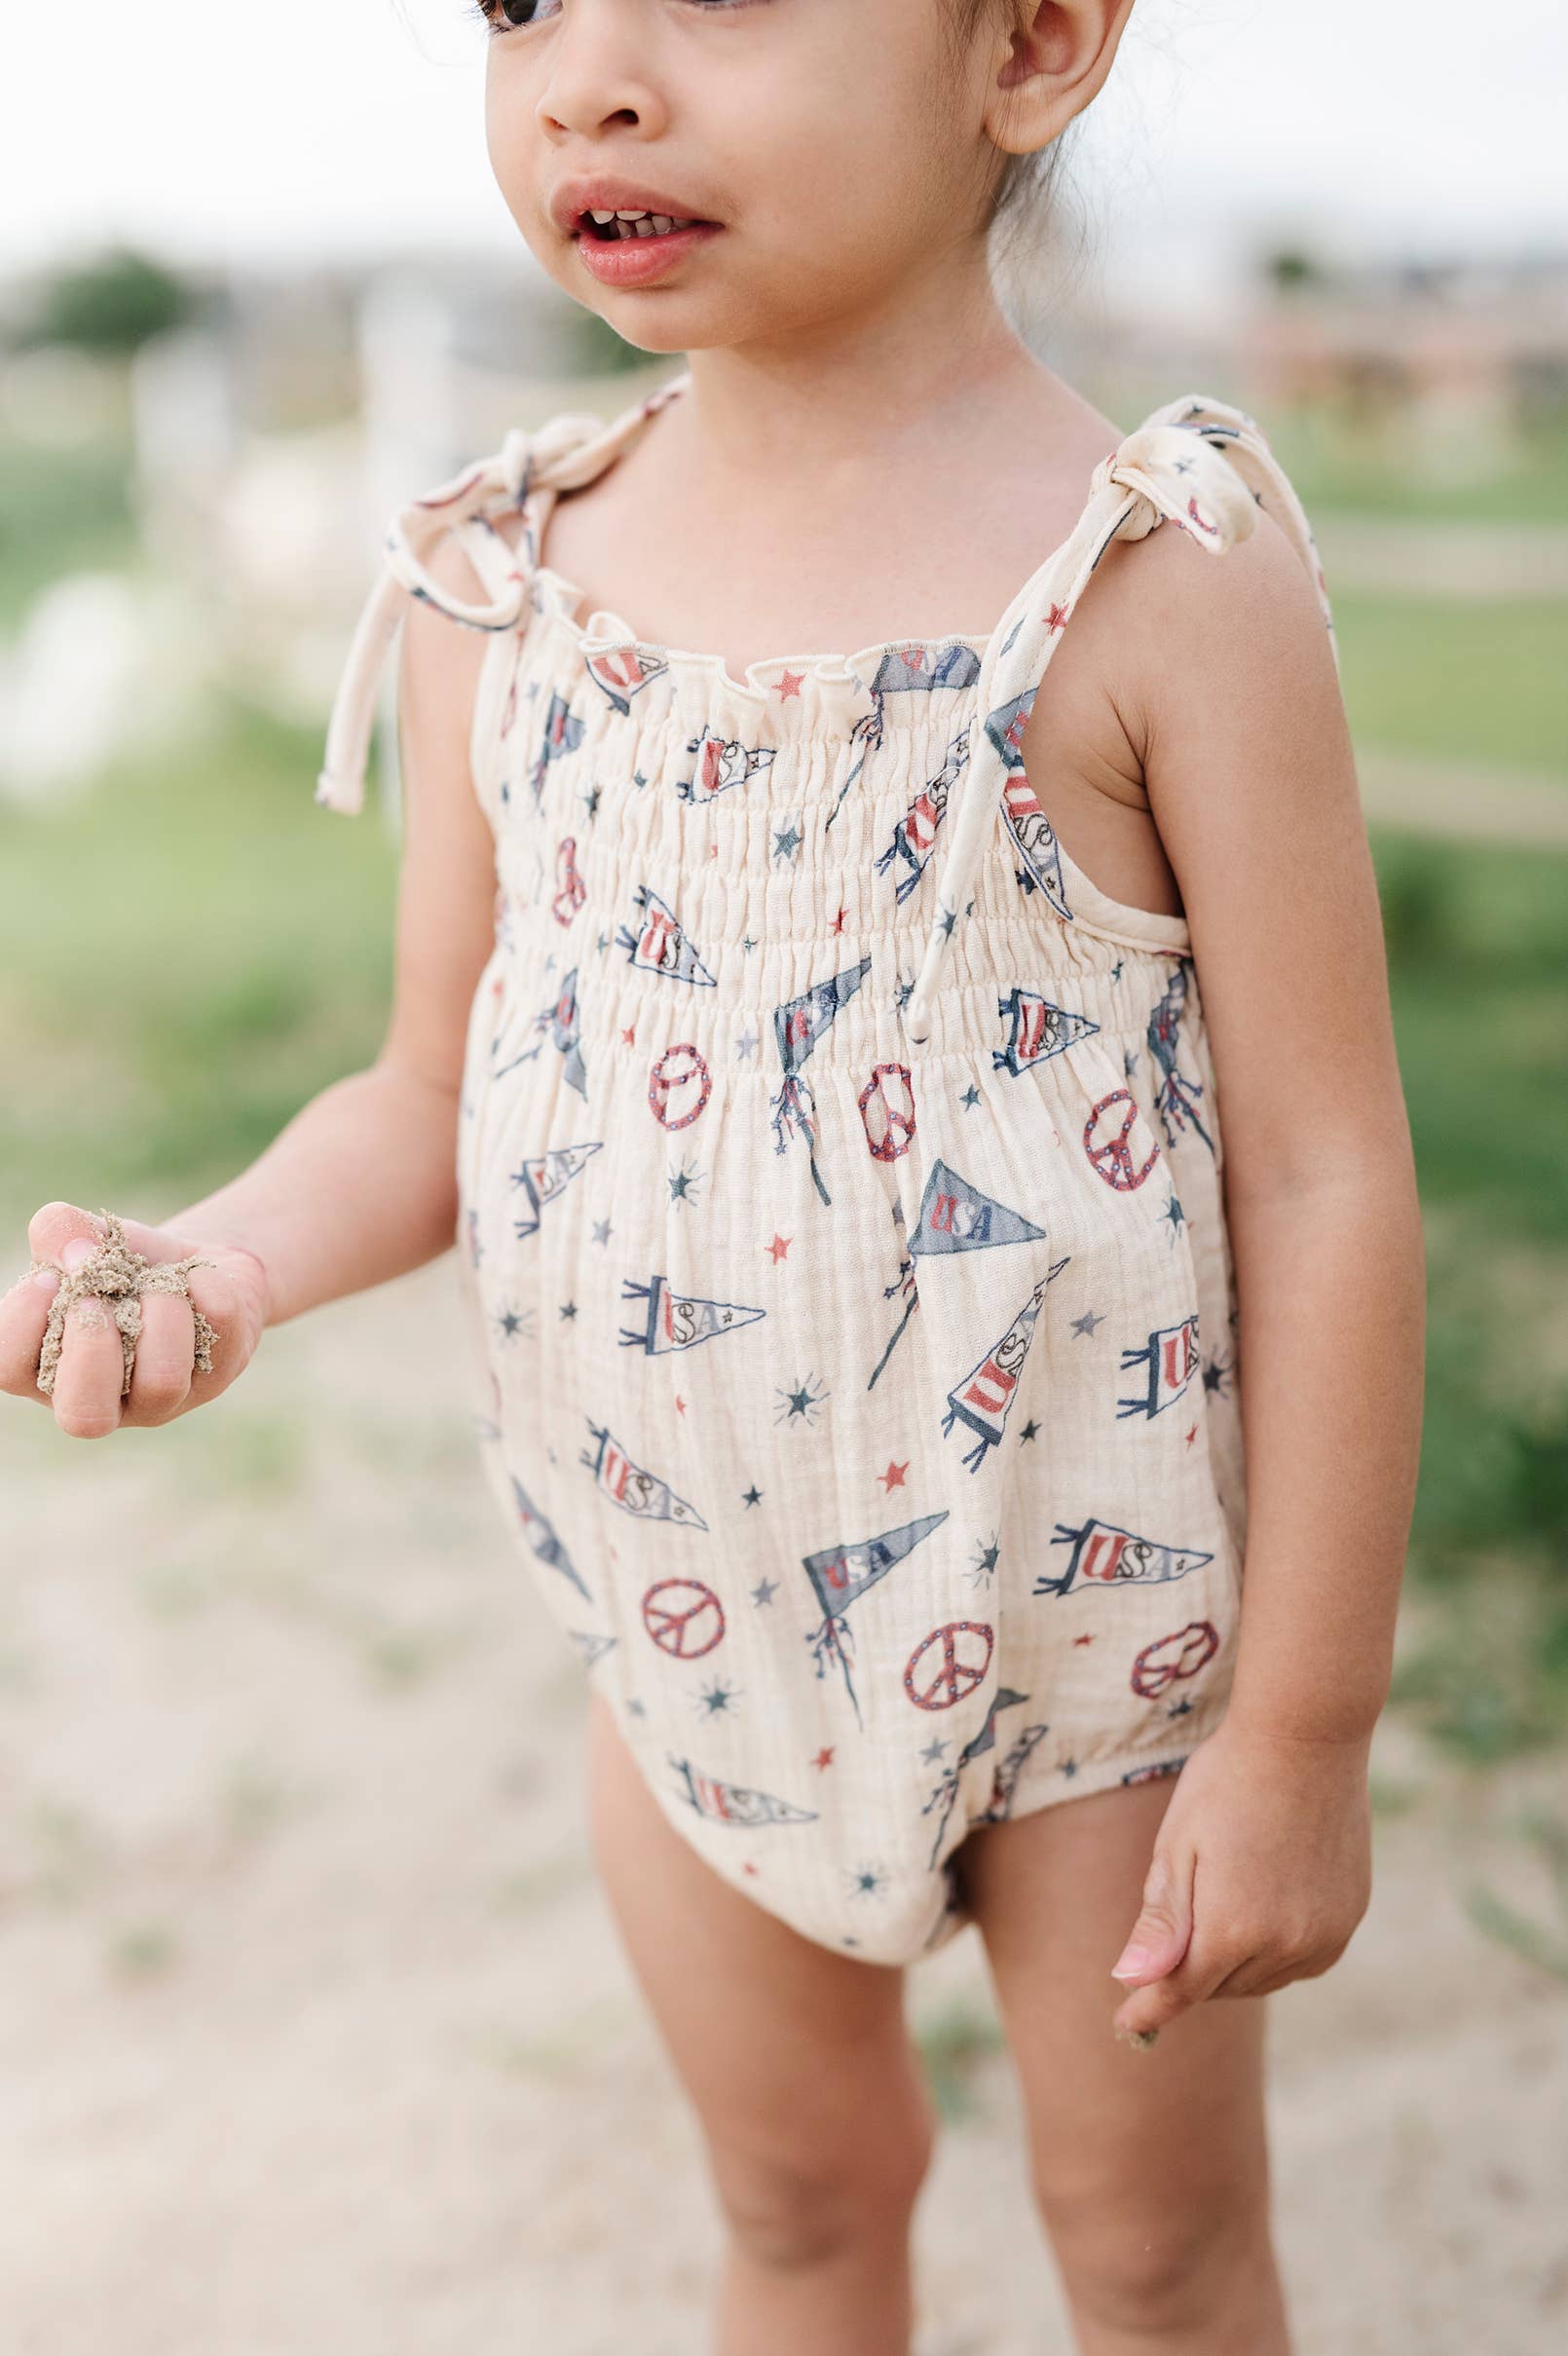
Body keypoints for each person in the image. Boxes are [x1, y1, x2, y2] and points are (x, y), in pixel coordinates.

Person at [4, 4, 1426, 2350]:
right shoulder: (509, 581)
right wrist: (223, 1263)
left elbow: (1324, 1171)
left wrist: (1297, 1738)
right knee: (791, 2196)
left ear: (1037, 46)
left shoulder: (1152, 578)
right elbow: (420, 1089)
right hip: (688, 1626)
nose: (588, 79)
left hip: (1100, 1638)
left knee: (1157, 2250)